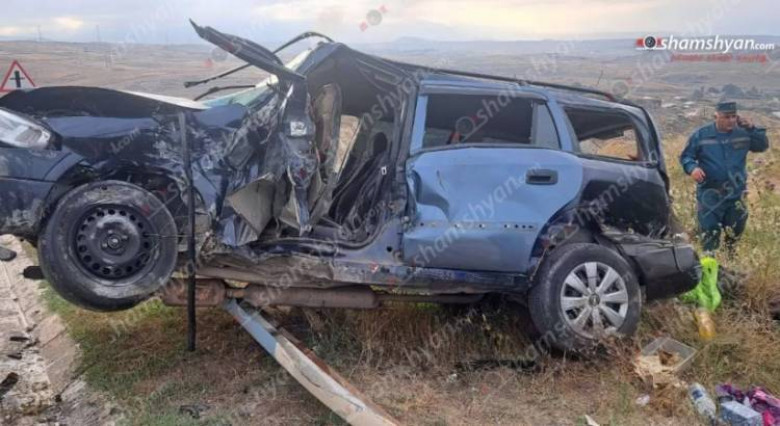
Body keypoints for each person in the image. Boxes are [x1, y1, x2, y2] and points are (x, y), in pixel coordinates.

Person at [679, 101, 769, 255]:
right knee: (709, 234)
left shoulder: (742, 134)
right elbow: (686, 156)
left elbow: (762, 146)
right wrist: (692, 168)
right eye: (727, 117)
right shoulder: (701, 135)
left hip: (736, 193)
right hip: (710, 194)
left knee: (735, 232)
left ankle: (730, 260)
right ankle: (710, 265)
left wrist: (752, 128)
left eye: (734, 116)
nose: (731, 120)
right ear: (716, 116)